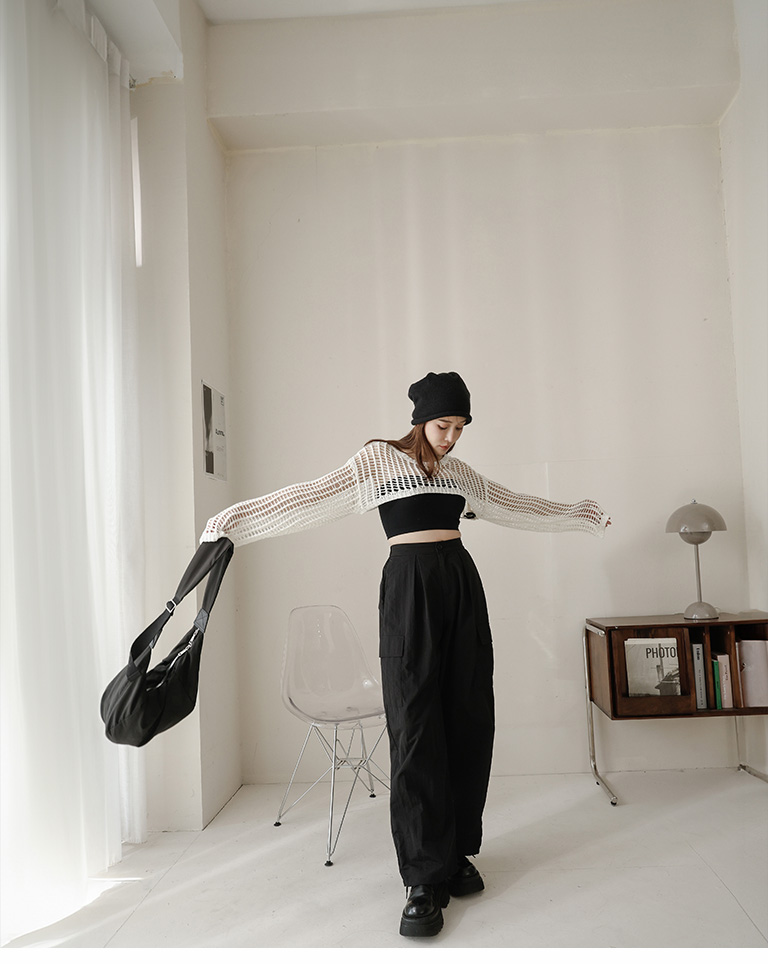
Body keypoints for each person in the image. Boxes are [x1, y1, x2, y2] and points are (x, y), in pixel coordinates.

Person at [201, 371, 609, 938]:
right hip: (408, 589)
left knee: (468, 718)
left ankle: (457, 852)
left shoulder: (459, 474)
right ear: (420, 419)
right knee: (415, 726)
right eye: (444, 425)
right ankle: (421, 877)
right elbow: (309, 497)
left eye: (460, 427)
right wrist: (230, 524)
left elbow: (515, 504)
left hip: (461, 587)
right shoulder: (378, 461)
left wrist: (578, 514)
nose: (452, 437)